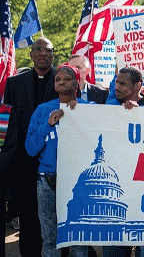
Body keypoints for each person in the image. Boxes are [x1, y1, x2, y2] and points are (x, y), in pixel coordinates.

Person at [1, 37, 59, 256]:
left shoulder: (63, 79)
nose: (43, 53)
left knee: (53, 220)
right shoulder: (14, 84)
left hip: (53, 162)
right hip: (23, 162)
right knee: (28, 217)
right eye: (38, 49)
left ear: (53, 54)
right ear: (31, 54)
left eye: (48, 50)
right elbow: (8, 124)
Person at [25, 64, 90, 257]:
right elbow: (30, 149)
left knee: (78, 240)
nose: (61, 82)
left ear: (76, 82)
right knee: (50, 238)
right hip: (47, 181)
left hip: (78, 182)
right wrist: (48, 124)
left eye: (67, 79)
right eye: (57, 79)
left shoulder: (90, 110)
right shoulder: (43, 110)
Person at [104, 66, 144, 257]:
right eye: (116, 82)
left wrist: (140, 117)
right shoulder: (109, 105)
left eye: (122, 84)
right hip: (116, 190)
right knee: (113, 248)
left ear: (138, 86)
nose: (116, 87)